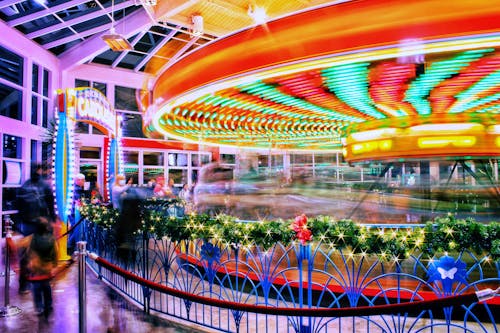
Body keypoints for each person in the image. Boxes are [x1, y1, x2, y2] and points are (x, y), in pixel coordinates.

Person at [16, 163, 56, 294]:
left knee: (26, 254)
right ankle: (44, 280)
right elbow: (50, 204)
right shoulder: (45, 186)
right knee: (44, 251)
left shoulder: (24, 186)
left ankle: (24, 285)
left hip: (27, 224)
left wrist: (20, 224)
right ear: (40, 170)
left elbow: (19, 207)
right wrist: (53, 221)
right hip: (42, 224)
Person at [17, 217, 58, 317]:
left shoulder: (31, 238)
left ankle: (39, 307)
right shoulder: (52, 239)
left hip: (35, 269)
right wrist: (54, 266)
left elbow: (20, 245)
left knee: (36, 290)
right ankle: (48, 305)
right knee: (47, 289)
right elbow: (55, 253)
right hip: (47, 270)